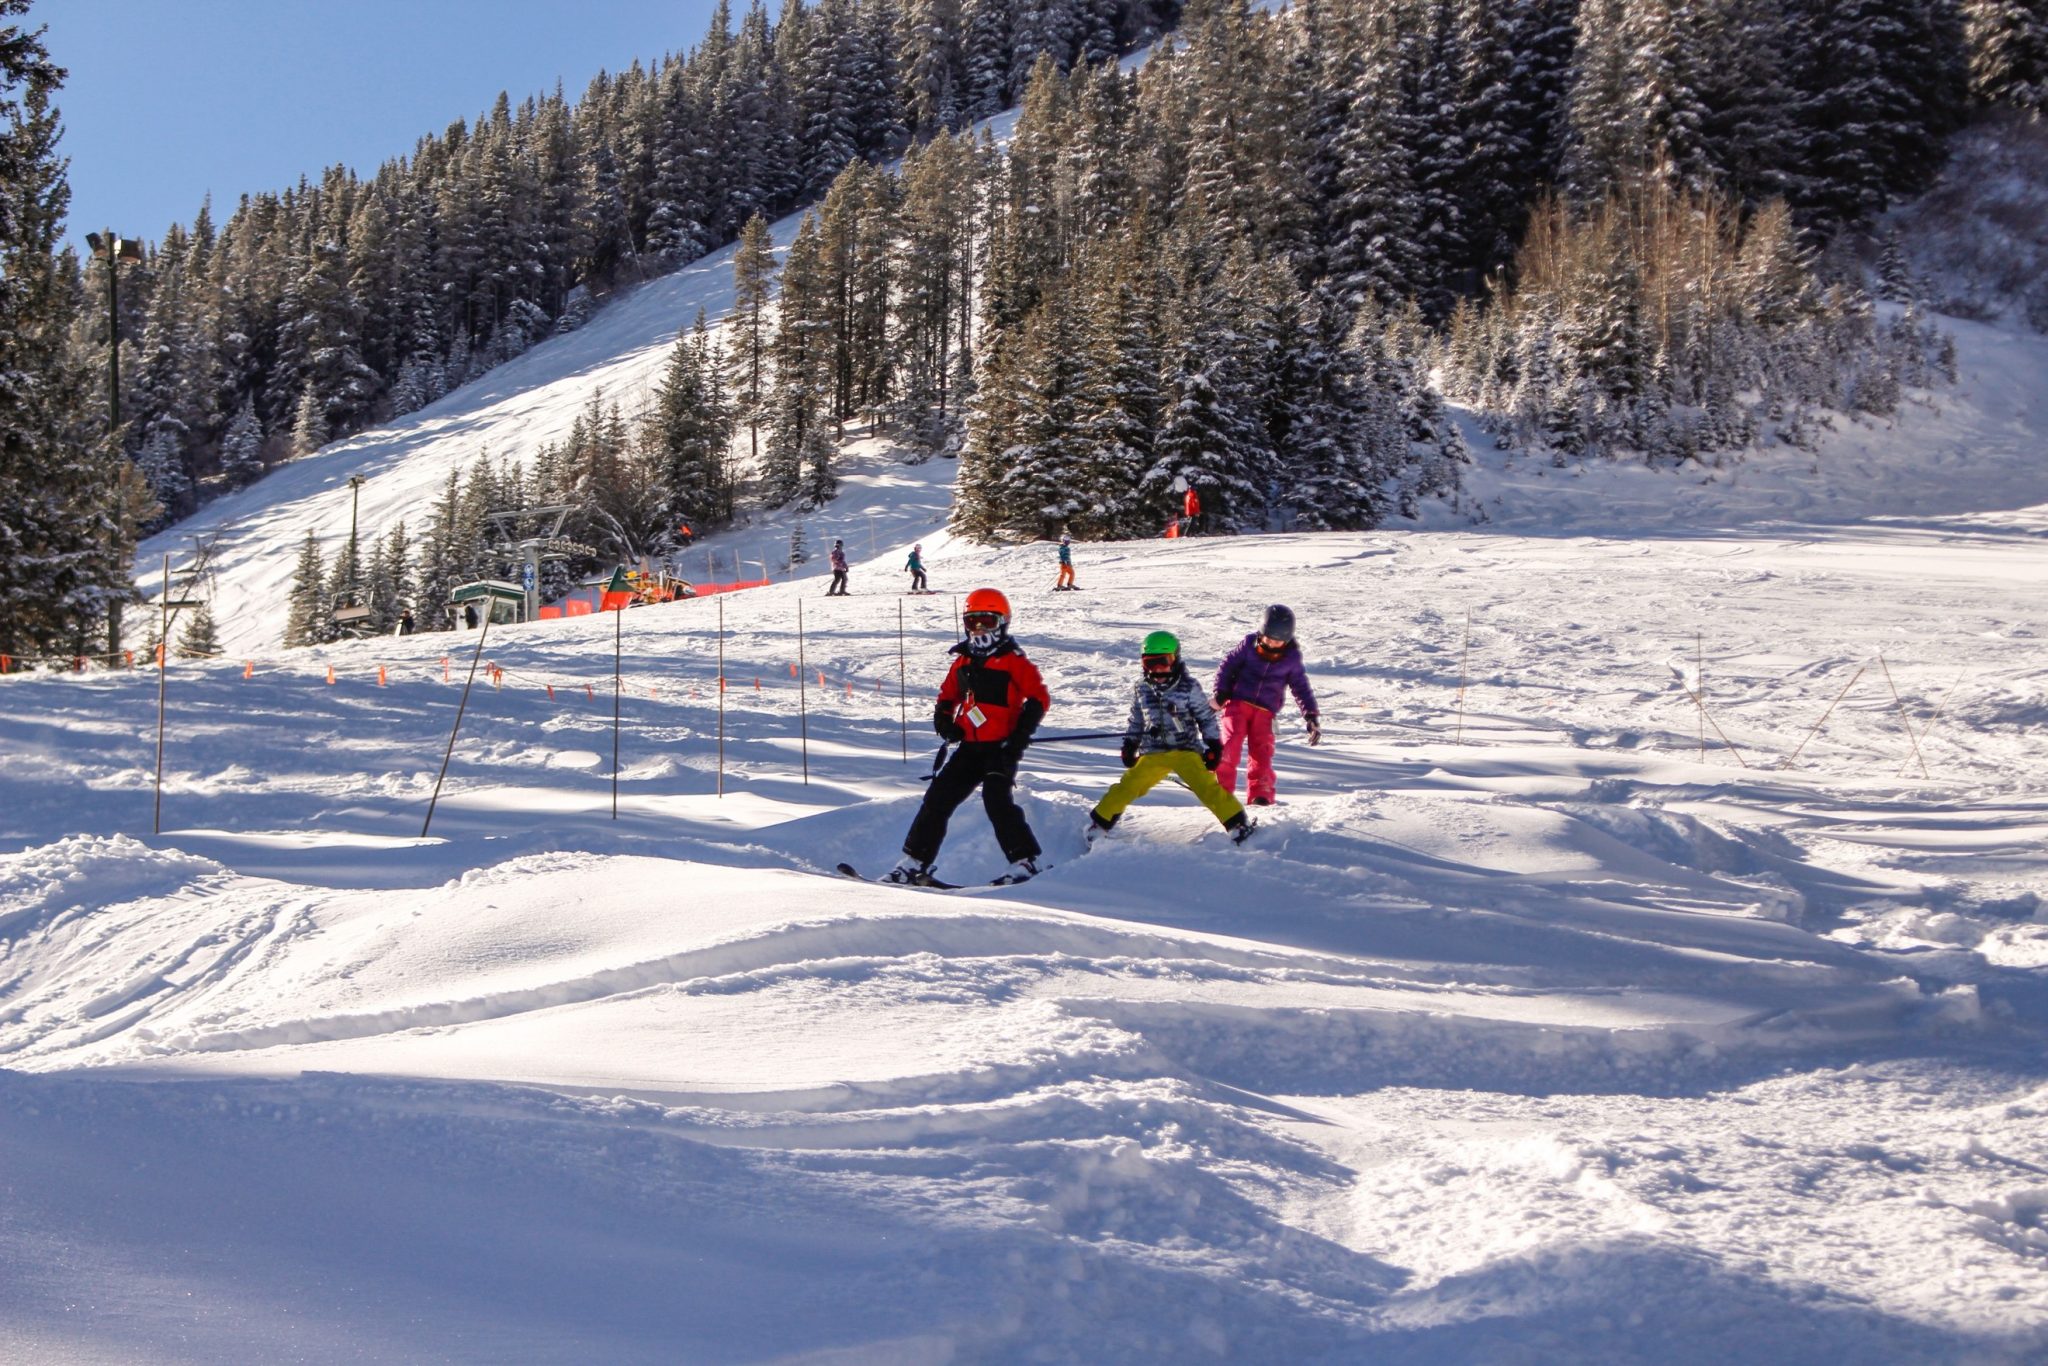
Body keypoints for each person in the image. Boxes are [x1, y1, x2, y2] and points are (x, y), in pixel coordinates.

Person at [887, 588, 1050, 886]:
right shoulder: (962, 661)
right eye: (973, 621)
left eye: (987, 621)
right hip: (969, 747)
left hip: (1000, 749)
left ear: (1002, 622)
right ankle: (913, 863)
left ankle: (1025, 862)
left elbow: (1039, 699)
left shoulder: (1014, 661)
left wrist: (1018, 738)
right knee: (937, 798)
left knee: (996, 799)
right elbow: (947, 695)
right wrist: (944, 720)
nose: (979, 629)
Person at [1088, 631, 1254, 845]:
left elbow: (1205, 717)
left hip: (1186, 751)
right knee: (1128, 786)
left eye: (1164, 662)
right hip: (1153, 753)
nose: (1158, 670)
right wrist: (1130, 744)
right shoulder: (1142, 689)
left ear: (1175, 660)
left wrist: (1213, 745)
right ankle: (1099, 825)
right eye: (1151, 664)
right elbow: (1137, 719)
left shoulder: (1188, 687)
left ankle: (1237, 824)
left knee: (1207, 787)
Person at [1212, 604, 1321, 807]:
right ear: (1261, 632)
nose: (1271, 644)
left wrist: (1311, 716)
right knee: (1230, 744)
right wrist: (1221, 692)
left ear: (1286, 641)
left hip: (1265, 712)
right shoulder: (1247, 644)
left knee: (1262, 752)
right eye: (1268, 639)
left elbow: (1301, 687)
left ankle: (1260, 795)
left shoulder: (1292, 659)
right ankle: (1219, 790)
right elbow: (1227, 666)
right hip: (1237, 704)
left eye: (1277, 642)